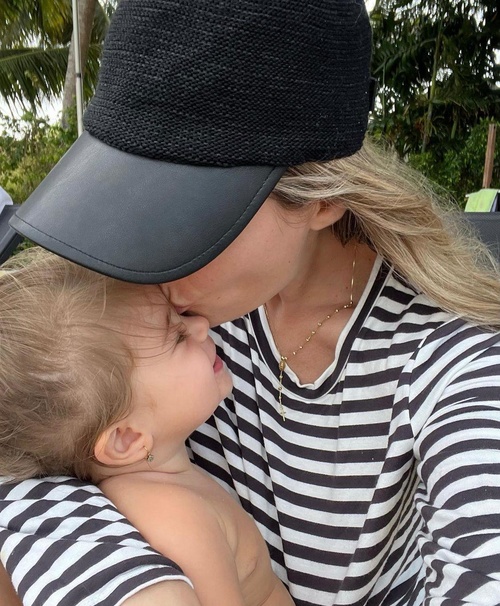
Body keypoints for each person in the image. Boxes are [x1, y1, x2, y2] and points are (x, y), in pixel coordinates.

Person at [2, 0, 500, 605]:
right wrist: (135, 585)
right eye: (125, 202)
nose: (140, 256)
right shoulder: (153, 320)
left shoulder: (457, 368)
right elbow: (33, 432)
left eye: (185, 216)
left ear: (321, 199)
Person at [0, 247, 294, 606]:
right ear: (126, 440)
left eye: (180, 316)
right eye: (178, 336)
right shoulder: (175, 518)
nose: (202, 326)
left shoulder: (163, 481)